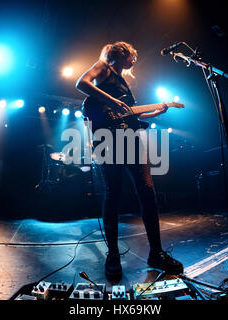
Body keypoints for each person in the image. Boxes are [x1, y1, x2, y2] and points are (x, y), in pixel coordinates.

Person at [76, 41, 183, 281]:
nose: (134, 58)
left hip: (132, 138)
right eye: (131, 55)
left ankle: (156, 253)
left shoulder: (126, 84)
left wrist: (157, 112)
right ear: (121, 54)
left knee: (147, 191)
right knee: (113, 192)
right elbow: (81, 83)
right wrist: (112, 101)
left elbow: (132, 114)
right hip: (107, 138)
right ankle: (113, 255)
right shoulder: (103, 67)